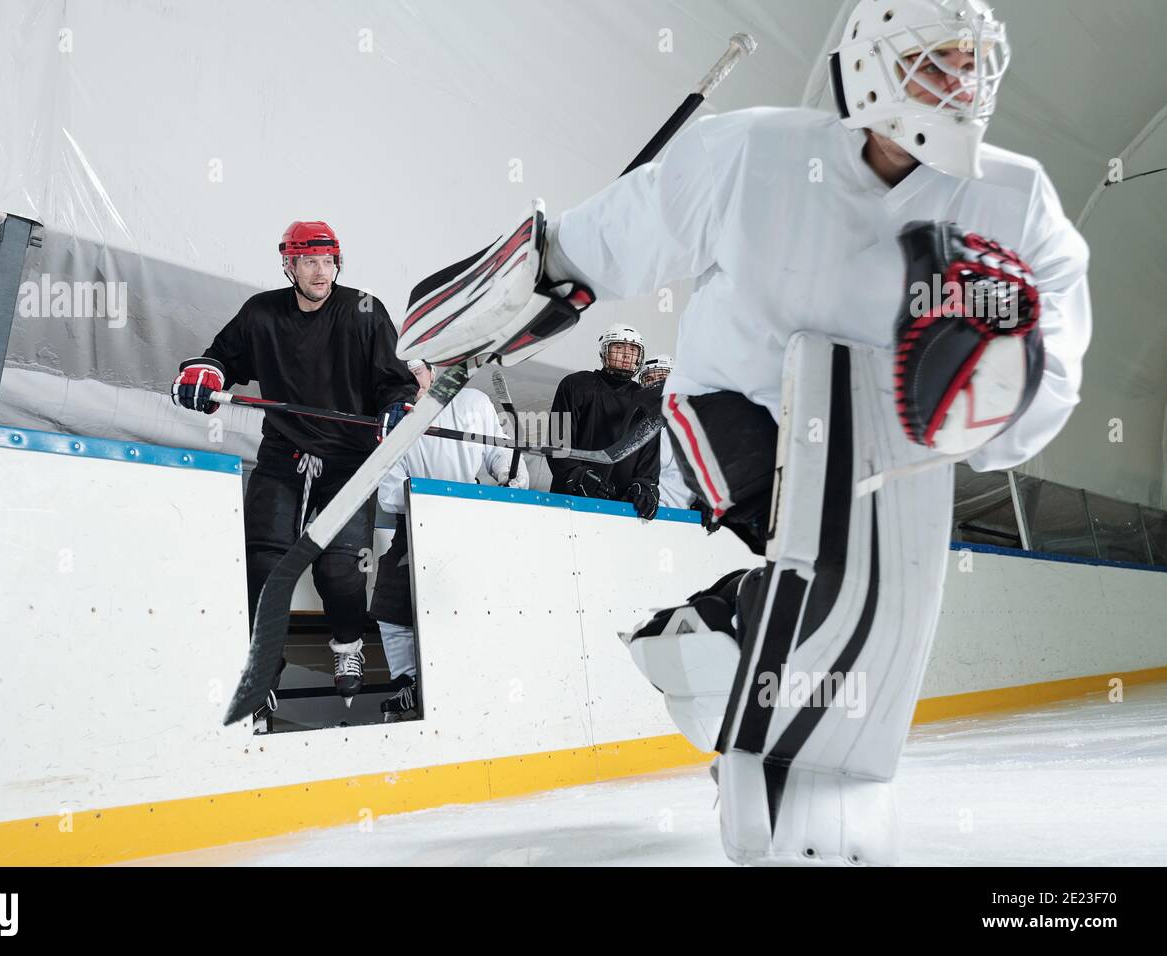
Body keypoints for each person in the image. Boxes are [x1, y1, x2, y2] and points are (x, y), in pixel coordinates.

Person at [396, 0, 1090, 864]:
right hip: (737, 407)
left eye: (972, 63)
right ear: (872, 61)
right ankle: (753, 721)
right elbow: (604, 240)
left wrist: (997, 393)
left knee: (879, 606)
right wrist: (486, 307)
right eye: (934, 60)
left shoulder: (1013, 197)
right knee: (834, 565)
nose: (959, 83)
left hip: (891, 434)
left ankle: (703, 647)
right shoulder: (756, 153)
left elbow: (1053, 359)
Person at [172, 221, 418, 721]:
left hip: (350, 461)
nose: (320, 271)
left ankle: (347, 641)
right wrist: (204, 373)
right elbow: (220, 359)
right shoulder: (262, 313)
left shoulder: (364, 310)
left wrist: (397, 407)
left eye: (328, 261)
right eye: (309, 261)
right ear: (289, 264)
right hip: (283, 452)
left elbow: (393, 381)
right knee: (264, 563)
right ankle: (262, 671)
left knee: (338, 570)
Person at [371, 361, 528, 721]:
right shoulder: (394, 419)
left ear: (434, 369)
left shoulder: (473, 401)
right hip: (413, 525)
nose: (418, 379)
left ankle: (472, 679)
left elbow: (500, 452)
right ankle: (408, 682)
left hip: (467, 522)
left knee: (471, 602)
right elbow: (388, 491)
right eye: (409, 373)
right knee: (391, 603)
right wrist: (424, 496)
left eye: (422, 370)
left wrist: (510, 476)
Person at [547, 323, 661, 520]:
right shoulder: (575, 385)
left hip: (621, 510)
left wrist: (644, 485)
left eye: (633, 350)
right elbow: (558, 441)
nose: (626, 355)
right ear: (604, 352)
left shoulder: (646, 400)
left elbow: (649, 454)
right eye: (619, 348)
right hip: (570, 505)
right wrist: (577, 475)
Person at [638, 354, 695, 510]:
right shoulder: (638, 426)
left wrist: (708, 502)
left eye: (663, 377)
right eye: (649, 379)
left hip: (689, 520)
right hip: (648, 515)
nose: (656, 383)